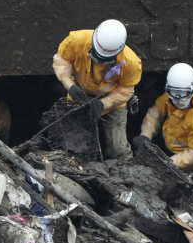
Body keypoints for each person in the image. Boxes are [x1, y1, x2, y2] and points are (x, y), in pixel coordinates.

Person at [52, 19, 142, 159]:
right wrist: (69, 85)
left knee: (117, 148)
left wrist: (103, 104)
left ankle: (124, 170)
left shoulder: (130, 63)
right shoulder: (77, 40)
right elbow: (62, 59)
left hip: (113, 102)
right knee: (74, 143)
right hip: (79, 96)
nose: (98, 61)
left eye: (103, 59)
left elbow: (126, 91)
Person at [133, 63, 193, 171]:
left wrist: (167, 163)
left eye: (183, 94)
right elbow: (155, 113)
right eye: (174, 93)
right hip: (179, 153)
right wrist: (145, 135)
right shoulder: (171, 96)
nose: (179, 99)